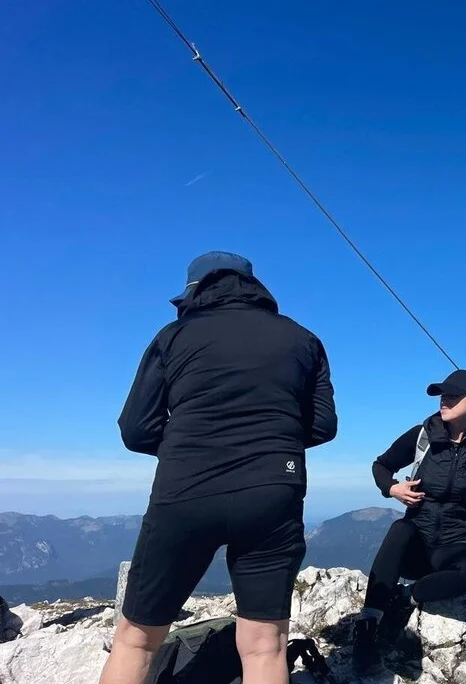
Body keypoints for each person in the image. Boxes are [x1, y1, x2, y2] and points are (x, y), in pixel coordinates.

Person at [100, 251, 337, 684]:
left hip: (186, 491)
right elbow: (323, 425)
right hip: (273, 491)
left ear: (195, 291)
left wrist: (189, 450)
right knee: (266, 646)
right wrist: (268, 445)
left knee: (136, 640)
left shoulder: (173, 337)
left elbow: (135, 430)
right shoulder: (303, 340)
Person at [352, 369, 466, 676]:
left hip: (454, 543)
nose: (445, 400)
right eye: (443, 395)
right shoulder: (423, 435)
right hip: (415, 538)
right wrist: (392, 488)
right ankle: (367, 627)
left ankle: (406, 598)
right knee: (399, 529)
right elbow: (382, 465)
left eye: (454, 396)